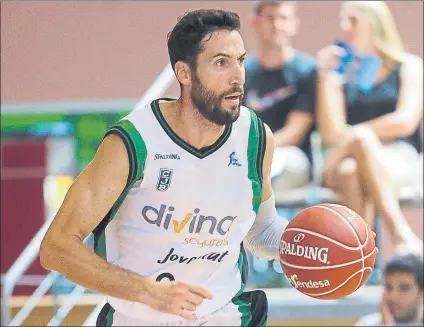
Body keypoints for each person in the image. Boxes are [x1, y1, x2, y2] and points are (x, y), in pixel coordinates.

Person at [40, 9, 291, 326]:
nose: (237, 76)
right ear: (185, 74)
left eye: (240, 60)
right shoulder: (133, 143)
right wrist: (148, 291)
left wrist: (309, 244)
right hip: (139, 317)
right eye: (220, 63)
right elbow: (57, 247)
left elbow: (261, 233)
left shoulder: (256, 138)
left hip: (223, 316)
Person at [316, 1, 423, 255]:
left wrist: (356, 134)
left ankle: (359, 260)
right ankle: (400, 234)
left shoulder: (408, 66)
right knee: (357, 148)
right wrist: (325, 77)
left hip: (397, 157)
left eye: (352, 20)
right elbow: (331, 134)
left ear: (375, 24)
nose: (344, 27)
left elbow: (406, 121)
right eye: (342, 20)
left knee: (350, 171)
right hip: (342, 152)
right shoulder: (337, 73)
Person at [243, 0, 317, 191]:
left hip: (290, 157)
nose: (276, 25)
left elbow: (295, 132)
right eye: (270, 18)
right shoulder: (242, 72)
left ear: (294, 24)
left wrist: (255, 152)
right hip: (246, 156)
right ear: (254, 22)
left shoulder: (307, 71)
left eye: (283, 18)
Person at [355, 254, 423, 326]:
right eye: (388, 287)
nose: (393, 296)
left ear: (422, 294)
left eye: (404, 288)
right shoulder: (366, 324)